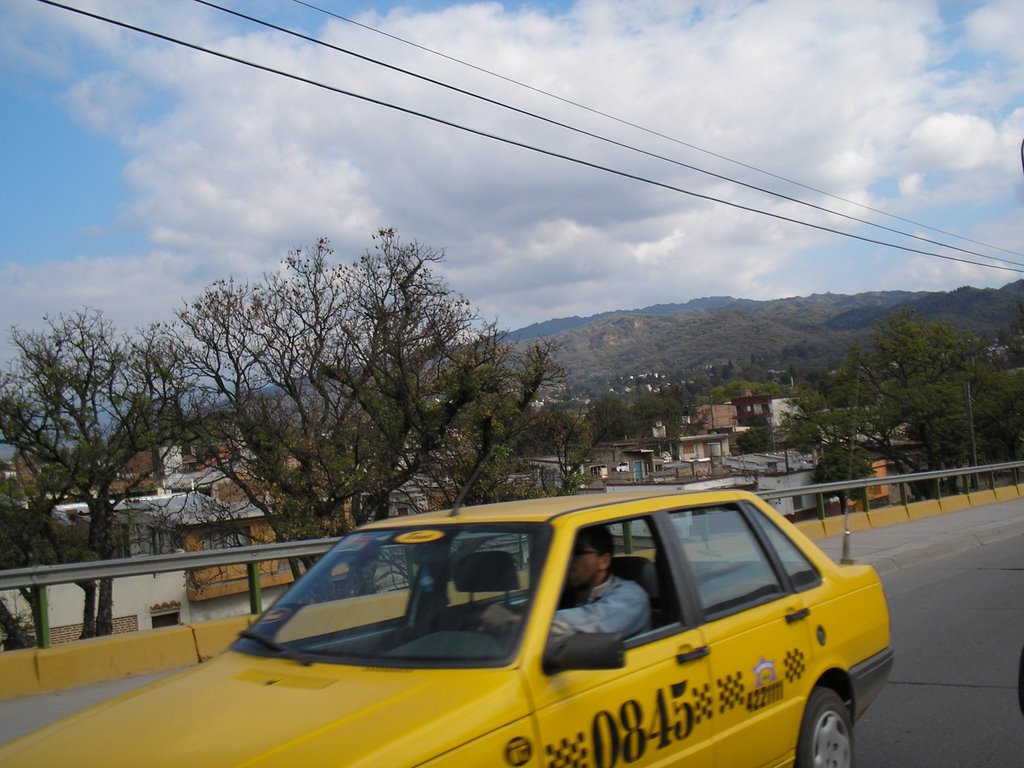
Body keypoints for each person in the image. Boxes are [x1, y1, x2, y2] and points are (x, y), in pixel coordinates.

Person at [482, 524, 651, 639]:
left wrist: (513, 622)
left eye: (577, 551)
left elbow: (590, 622)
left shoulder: (630, 597)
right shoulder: (563, 595)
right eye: (565, 551)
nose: (568, 559)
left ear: (604, 561)